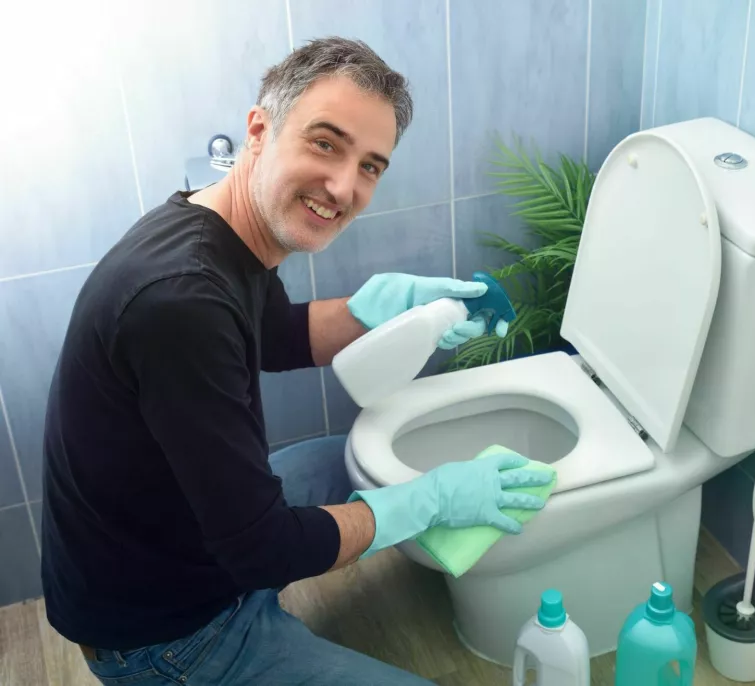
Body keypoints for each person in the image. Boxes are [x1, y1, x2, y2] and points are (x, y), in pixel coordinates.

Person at [40, 37, 553, 685]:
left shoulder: (217, 228)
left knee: (347, 456)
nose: (344, 186)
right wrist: (427, 502)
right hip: (167, 633)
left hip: (172, 537)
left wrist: (391, 307)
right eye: (325, 143)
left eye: (370, 166)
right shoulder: (181, 301)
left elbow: (279, 335)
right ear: (260, 130)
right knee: (393, 489)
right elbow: (263, 549)